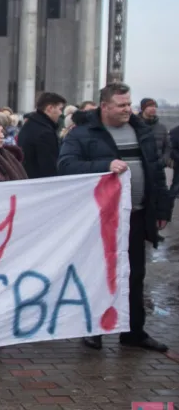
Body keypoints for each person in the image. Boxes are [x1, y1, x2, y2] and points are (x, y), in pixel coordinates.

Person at [58, 83, 172, 353]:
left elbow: (155, 172)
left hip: (138, 215)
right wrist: (104, 166)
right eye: (121, 105)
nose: (127, 109)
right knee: (99, 273)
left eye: (129, 104)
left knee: (135, 275)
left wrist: (162, 210)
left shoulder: (140, 130)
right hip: (101, 220)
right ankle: (95, 330)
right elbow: (65, 165)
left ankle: (133, 332)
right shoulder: (83, 134)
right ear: (105, 106)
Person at [17, 92, 66, 179]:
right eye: (60, 109)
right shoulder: (44, 132)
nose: (61, 113)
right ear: (50, 108)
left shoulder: (31, 124)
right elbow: (49, 167)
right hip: (40, 184)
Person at [139, 98, 171, 169]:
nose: (153, 108)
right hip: (141, 168)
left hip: (158, 168)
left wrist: (164, 161)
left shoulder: (162, 128)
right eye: (150, 106)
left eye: (154, 106)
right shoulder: (136, 126)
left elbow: (168, 147)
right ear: (143, 108)